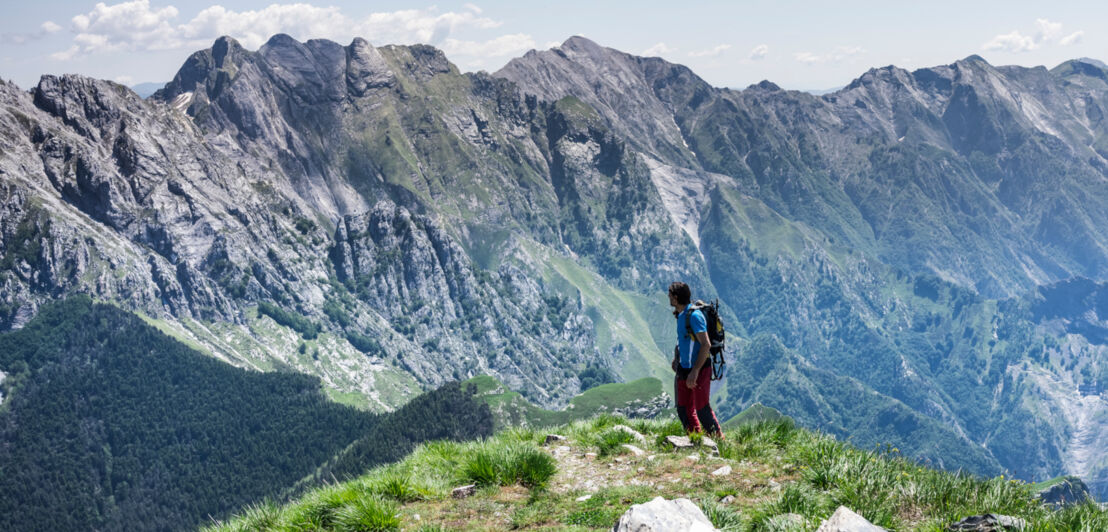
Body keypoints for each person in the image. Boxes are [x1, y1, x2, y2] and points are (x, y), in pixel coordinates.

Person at [668, 281, 722, 437]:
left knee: (701, 408)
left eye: (670, 295)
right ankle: (696, 440)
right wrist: (676, 357)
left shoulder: (695, 316)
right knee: (683, 408)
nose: (668, 298)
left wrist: (695, 371)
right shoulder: (681, 315)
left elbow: (706, 344)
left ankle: (719, 443)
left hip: (699, 368)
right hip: (683, 368)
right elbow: (683, 339)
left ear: (676, 298)